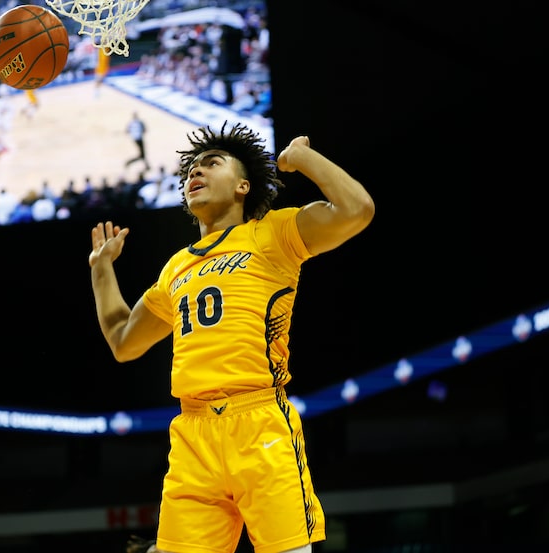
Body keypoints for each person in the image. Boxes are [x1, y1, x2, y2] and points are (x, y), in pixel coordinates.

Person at [89, 122, 375, 553]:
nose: (195, 173)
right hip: (193, 434)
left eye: (212, 163)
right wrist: (100, 269)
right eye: (192, 169)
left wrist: (300, 158)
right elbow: (123, 342)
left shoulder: (272, 234)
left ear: (243, 185)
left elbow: (357, 209)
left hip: (259, 422)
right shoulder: (175, 269)